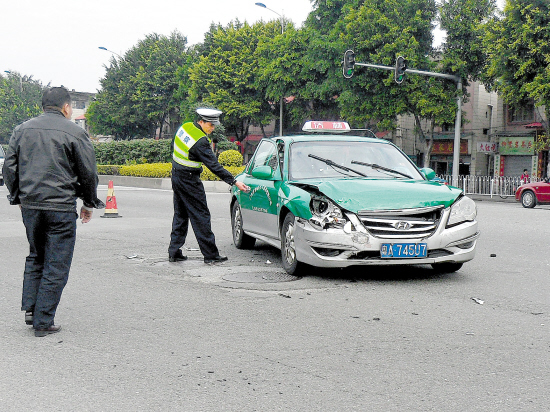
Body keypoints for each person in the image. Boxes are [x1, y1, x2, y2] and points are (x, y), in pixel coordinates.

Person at [3, 87, 104, 337]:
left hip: (31, 205)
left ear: (43, 106)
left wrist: (17, 196)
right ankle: (43, 320)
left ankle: (31, 309)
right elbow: (88, 172)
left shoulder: (21, 130)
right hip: (60, 206)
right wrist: (88, 203)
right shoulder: (75, 132)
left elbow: (9, 167)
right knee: (56, 263)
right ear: (67, 107)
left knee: (36, 255)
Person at [168, 108, 249, 264]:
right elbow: (214, 166)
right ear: (201, 122)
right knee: (201, 216)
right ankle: (211, 255)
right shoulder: (201, 141)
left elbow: (173, 146)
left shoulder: (184, 127)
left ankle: (174, 251)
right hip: (189, 180)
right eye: (210, 125)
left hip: (176, 175)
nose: (213, 128)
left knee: (180, 214)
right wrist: (234, 181)